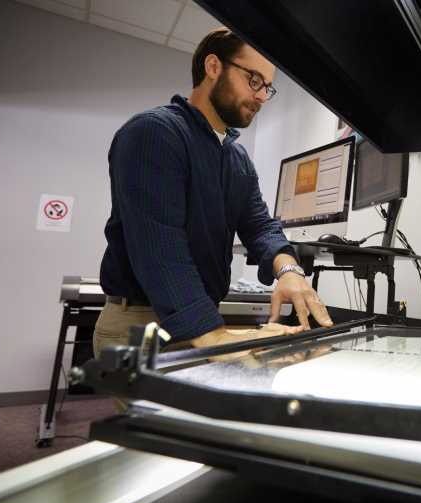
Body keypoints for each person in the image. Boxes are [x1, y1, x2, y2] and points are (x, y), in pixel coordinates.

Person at [93, 29, 332, 357]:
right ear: (213, 66)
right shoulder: (153, 133)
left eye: (267, 87)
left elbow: (260, 226)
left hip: (200, 315)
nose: (262, 96)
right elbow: (160, 249)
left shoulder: (236, 158)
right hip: (143, 323)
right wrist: (210, 334)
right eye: (254, 80)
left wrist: (289, 270)